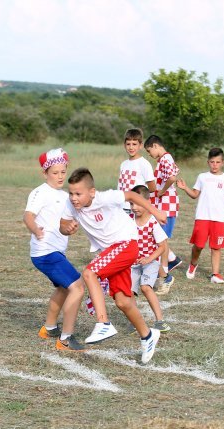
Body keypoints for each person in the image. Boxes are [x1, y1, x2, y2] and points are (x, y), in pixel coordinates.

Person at [60, 168, 167, 364]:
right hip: (113, 253)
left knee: (90, 272)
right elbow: (63, 224)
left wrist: (155, 211)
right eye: (71, 193)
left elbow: (132, 194)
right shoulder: (70, 204)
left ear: (91, 192)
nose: (74, 198)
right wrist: (67, 229)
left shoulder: (104, 198)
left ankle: (103, 322)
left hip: (126, 244)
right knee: (123, 302)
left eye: (78, 193)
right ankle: (147, 335)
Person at [23, 148, 85, 351]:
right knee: (77, 287)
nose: (59, 176)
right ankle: (65, 339)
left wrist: (69, 229)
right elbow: (28, 216)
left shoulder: (63, 195)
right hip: (45, 252)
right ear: (45, 173)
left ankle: (49, 328)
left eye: (62, 172)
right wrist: (35, 229)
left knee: (63, 288)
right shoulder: (40, 192)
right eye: (54, 172)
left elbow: (62, 224)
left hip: (54, 251)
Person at [176, 147, 224, 284]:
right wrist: (185, 188)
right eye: (212, 162)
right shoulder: (202, 177)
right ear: (208, 162)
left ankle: (215, 274)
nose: (215, 165)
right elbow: (195, 195)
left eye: (218, 162)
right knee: (199, 245)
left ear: (223, 162)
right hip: (202, 216)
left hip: (219, 218)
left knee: (216, 247)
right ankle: (193, 264)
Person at [144, 135, 182, 295]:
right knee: (160, 239)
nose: (149, 154)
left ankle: (165, 277)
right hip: (161, 205)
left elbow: (172, 177)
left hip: (166, 205)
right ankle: (171, 262)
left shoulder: (166, 158)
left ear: (155, 146)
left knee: (162, 241)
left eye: (149, 151)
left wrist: (162, 191)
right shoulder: (163, 160)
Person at [130, 185, 170, 332]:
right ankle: (134, 321)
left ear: (147, 203)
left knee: (146, 287)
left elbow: (162, 247)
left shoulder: (153, 223)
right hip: (133, 263)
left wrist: (148, 259)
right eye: (131, 203)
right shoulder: (129, 220)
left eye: (138, 204)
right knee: (129, 292)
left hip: (151, 262)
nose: (134, 207)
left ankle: (160, 321)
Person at [118, 128, 156, 217]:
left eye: (134, 144)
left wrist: (138, 198)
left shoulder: (144, 164)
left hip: (136, 208)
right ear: (124, 145)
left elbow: (152, 188)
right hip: (122, 207)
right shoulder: (123, 164)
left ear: (140, 145)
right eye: (128, 144)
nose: (131, 147)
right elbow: (120, 186)